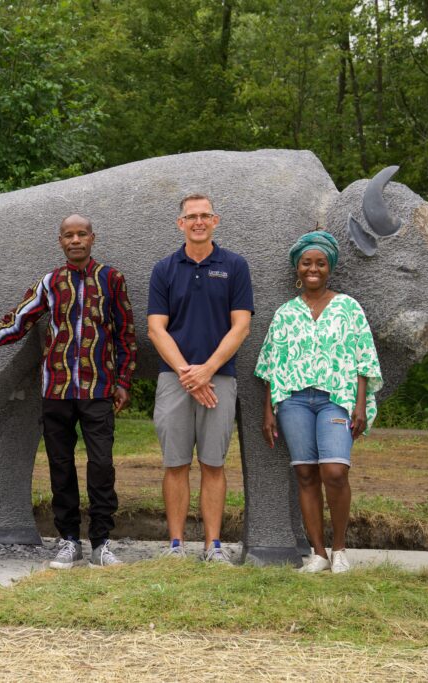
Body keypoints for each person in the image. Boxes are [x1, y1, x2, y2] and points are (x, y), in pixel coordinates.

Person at [0, 214, 137, 568]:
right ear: (60, 241)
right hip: (56, 390)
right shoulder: (50, 282)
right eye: (68, 235)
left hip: (98, 388)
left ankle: (102, 542)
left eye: (81, 234)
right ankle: (69, 540)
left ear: (92, 237)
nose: (75, 240)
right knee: (61, 466)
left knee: (101, 464)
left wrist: (123, 381)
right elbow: (18, 320)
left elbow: (126, 335)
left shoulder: (112, 279)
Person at [255, 230, 382, 574]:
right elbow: (270, 365)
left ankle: (340, 549)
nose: (313, 269)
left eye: (320, 263)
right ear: (297, 269)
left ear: (330, 268)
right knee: (307, 473)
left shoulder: (348, 307)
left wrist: (359, 403)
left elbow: (363, 359)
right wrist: (269, 411)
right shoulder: (285, 313)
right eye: (306, 263)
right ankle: (318, 553)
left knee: (335, 471)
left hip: (335, 399)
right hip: (294, 400)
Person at [146, 194, 253, 562]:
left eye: (205, 215)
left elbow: (241, 325)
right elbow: (156, 329)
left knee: (213, 463)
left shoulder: (235, 266)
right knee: (175, 464)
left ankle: (213, 547)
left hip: (218, 378)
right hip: (174, 379)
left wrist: (207, 369)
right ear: (180, 224)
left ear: (216, 220)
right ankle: (176, 545)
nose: (198, 222)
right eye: (191, 217)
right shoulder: (164, 269)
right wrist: (186, 373)